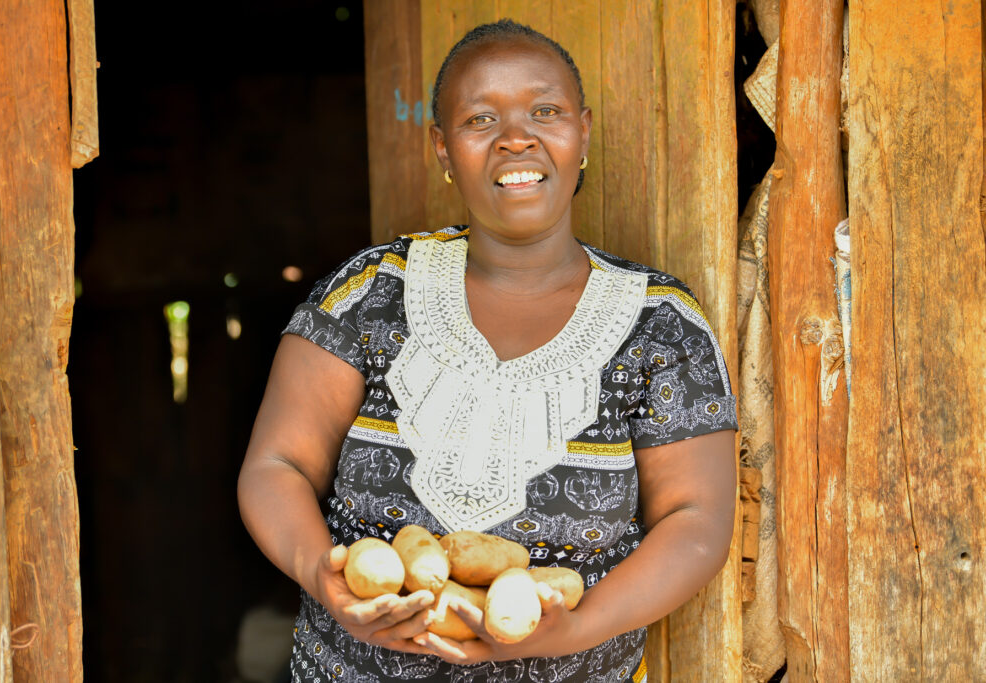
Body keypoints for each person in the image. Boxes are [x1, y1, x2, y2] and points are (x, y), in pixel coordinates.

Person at [238, 19, 738, 683]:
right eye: (480, 119)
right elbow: (276, 464)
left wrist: (574, 631)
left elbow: (696, 521)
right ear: (443, 150)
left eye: (545, 111)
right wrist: (322, 577)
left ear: (582, 132)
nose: (516, 137)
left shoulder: (662, 325)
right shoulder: (369, 294)